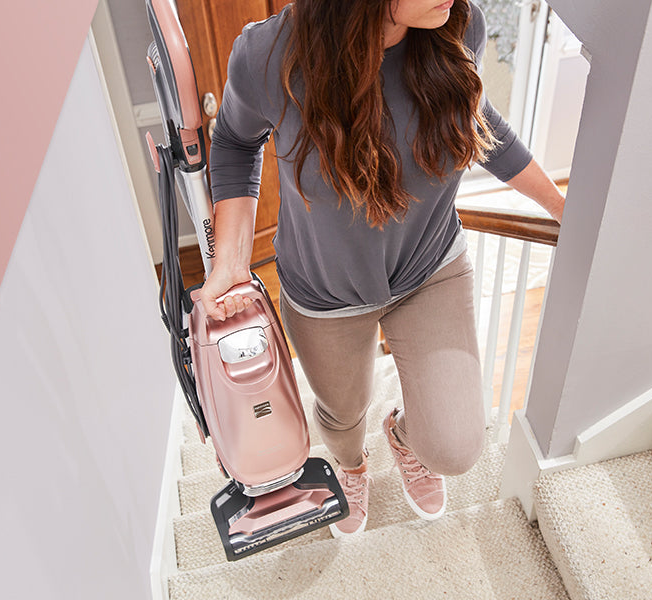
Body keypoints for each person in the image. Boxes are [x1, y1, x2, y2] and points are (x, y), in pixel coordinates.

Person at [196, 0, 566, 538]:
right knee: (343, 421)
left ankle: (401, 435)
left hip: (429, 266)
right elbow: (233, 140)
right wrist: (228, 260)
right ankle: (352, 466)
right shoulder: (269, 55)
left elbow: (478, 120)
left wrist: (562, 209)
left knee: (455, 446)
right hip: (326, 290)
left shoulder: (458, 24)